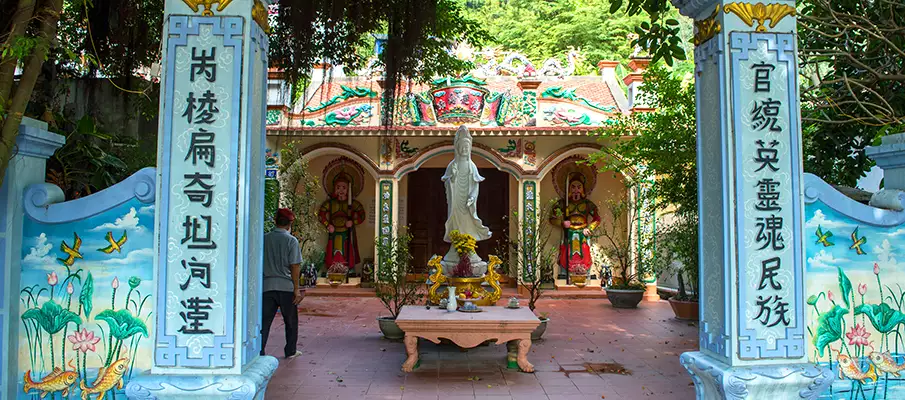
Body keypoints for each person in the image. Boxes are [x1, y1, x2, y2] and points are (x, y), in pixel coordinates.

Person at [261, 208, 304, 359]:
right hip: (286, 287)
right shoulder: (291, 241)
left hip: (267, 286)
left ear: (275, 221)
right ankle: (290, 350)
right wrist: (297, 289)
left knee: (264, 322)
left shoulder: (264, 239)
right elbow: (295, 266)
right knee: (290, 321)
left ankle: (259, 351)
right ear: (290, 223)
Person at [549, 173, 600, 278]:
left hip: (583, 233)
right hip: (569, 232)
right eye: (573, 187)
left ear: (583, 189)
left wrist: (590, 228)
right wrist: (562, 223)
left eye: (578, 187)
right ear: (568, 189)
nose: (575, 190)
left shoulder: (588, 204)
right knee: (566, 253)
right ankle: (564, 273)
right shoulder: (563, 203)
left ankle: (585, 273)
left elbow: (597, 219)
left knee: (585, 252)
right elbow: (552, 218)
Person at [318, 173, 365, 271]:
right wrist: (328, 225)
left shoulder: (353, 204)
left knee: (347, 251)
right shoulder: (330, 203)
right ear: (334, 188)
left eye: (344, 187)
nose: (341, 190)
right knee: (333, 251)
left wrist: (353, 222)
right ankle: (332, 269)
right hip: (333, 232)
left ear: (348, 189)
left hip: (347, 233)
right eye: (338, 187)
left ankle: (349, 269)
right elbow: (321, 215)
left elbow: (362, 215)